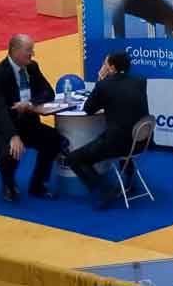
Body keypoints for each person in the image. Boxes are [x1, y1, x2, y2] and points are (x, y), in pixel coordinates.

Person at [0, 34, 61, 202]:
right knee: (12, 148)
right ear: (14, 51)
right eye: (29, 50)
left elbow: (48, 93)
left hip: (26, 123)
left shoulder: (32, 67)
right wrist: (13, 135)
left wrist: (30, 103)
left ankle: (38, 184)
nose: (32, 54)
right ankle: (8, 185)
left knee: (53, 140)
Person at [64, 50, 150, 207]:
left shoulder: (105, 85)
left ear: (111, 67)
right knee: (123, 130)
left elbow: (89, 108)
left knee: (73, 159)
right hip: (141, 141)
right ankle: (130, 180)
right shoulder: (140, 81)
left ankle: (103, 191)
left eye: (105, 63)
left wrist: (100, 80)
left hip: (117, 144)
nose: (103, 66)